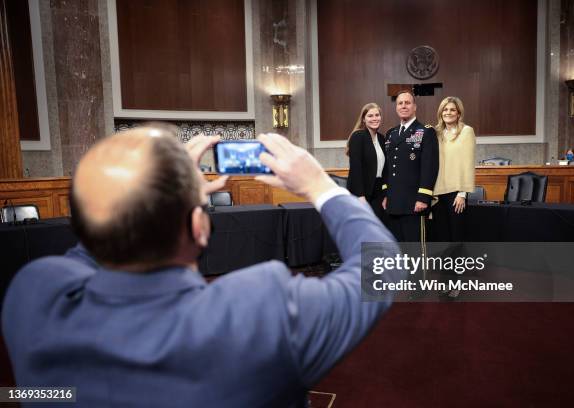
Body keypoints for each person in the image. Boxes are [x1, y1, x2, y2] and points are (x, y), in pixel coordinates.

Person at [2, 125, 398, 407]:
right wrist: (321, 187)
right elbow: (383, 269)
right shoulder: (259, 313)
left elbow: (97, 239)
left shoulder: (33, 295)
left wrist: (162, 193)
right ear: (199, 227)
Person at [432, 96, 475, 299]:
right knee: (443, 242)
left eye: (452, 110)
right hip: (438, 194)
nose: (448, 112)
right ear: (441, 112)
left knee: (456, 241)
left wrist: (462, 193)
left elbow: (468, 163)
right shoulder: (436, 133)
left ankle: (456, 282)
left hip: (456, 194)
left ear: (459, 113)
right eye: (445, 110)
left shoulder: (466, 132)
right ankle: (444, 282)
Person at [382, 89, 439, 243]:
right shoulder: (391, 133)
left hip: (414, 203)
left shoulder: (426, 132)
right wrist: (386, 194)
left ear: (415, 107)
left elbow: (430, 167)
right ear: (396, 108)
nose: (403, 106)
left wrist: (423, 197)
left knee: (415, 250)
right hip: (393, 202)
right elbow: (387, 167)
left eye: (407, 103)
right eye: (400, 103)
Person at [346, 102, 387, 221]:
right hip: (363, 191)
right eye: (370, 116)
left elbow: (385, 170)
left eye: (377, 115)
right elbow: (356, 169)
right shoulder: (358, 136)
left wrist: (385, 194)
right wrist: (360, 196)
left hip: (378, 191)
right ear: (363, 119)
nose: (374, 118)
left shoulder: (382, 138)